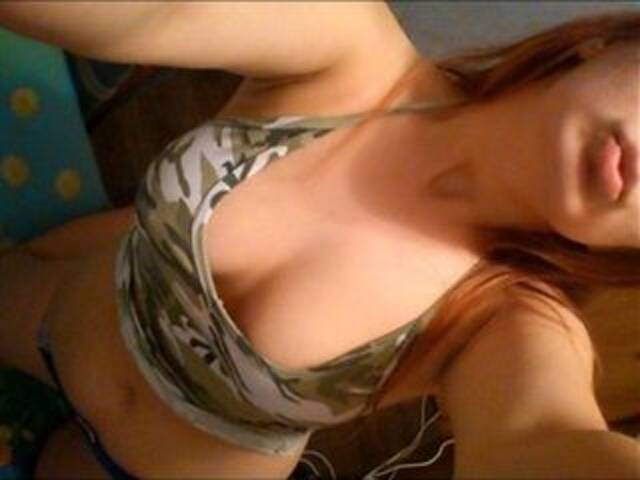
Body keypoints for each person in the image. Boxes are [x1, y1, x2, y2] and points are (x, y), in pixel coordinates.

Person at [1, 2, 639, 478]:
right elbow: (153, 12)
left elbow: (538, 437)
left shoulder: (510, 322)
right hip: (69, 312)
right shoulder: (349, 47)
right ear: (609, 43)